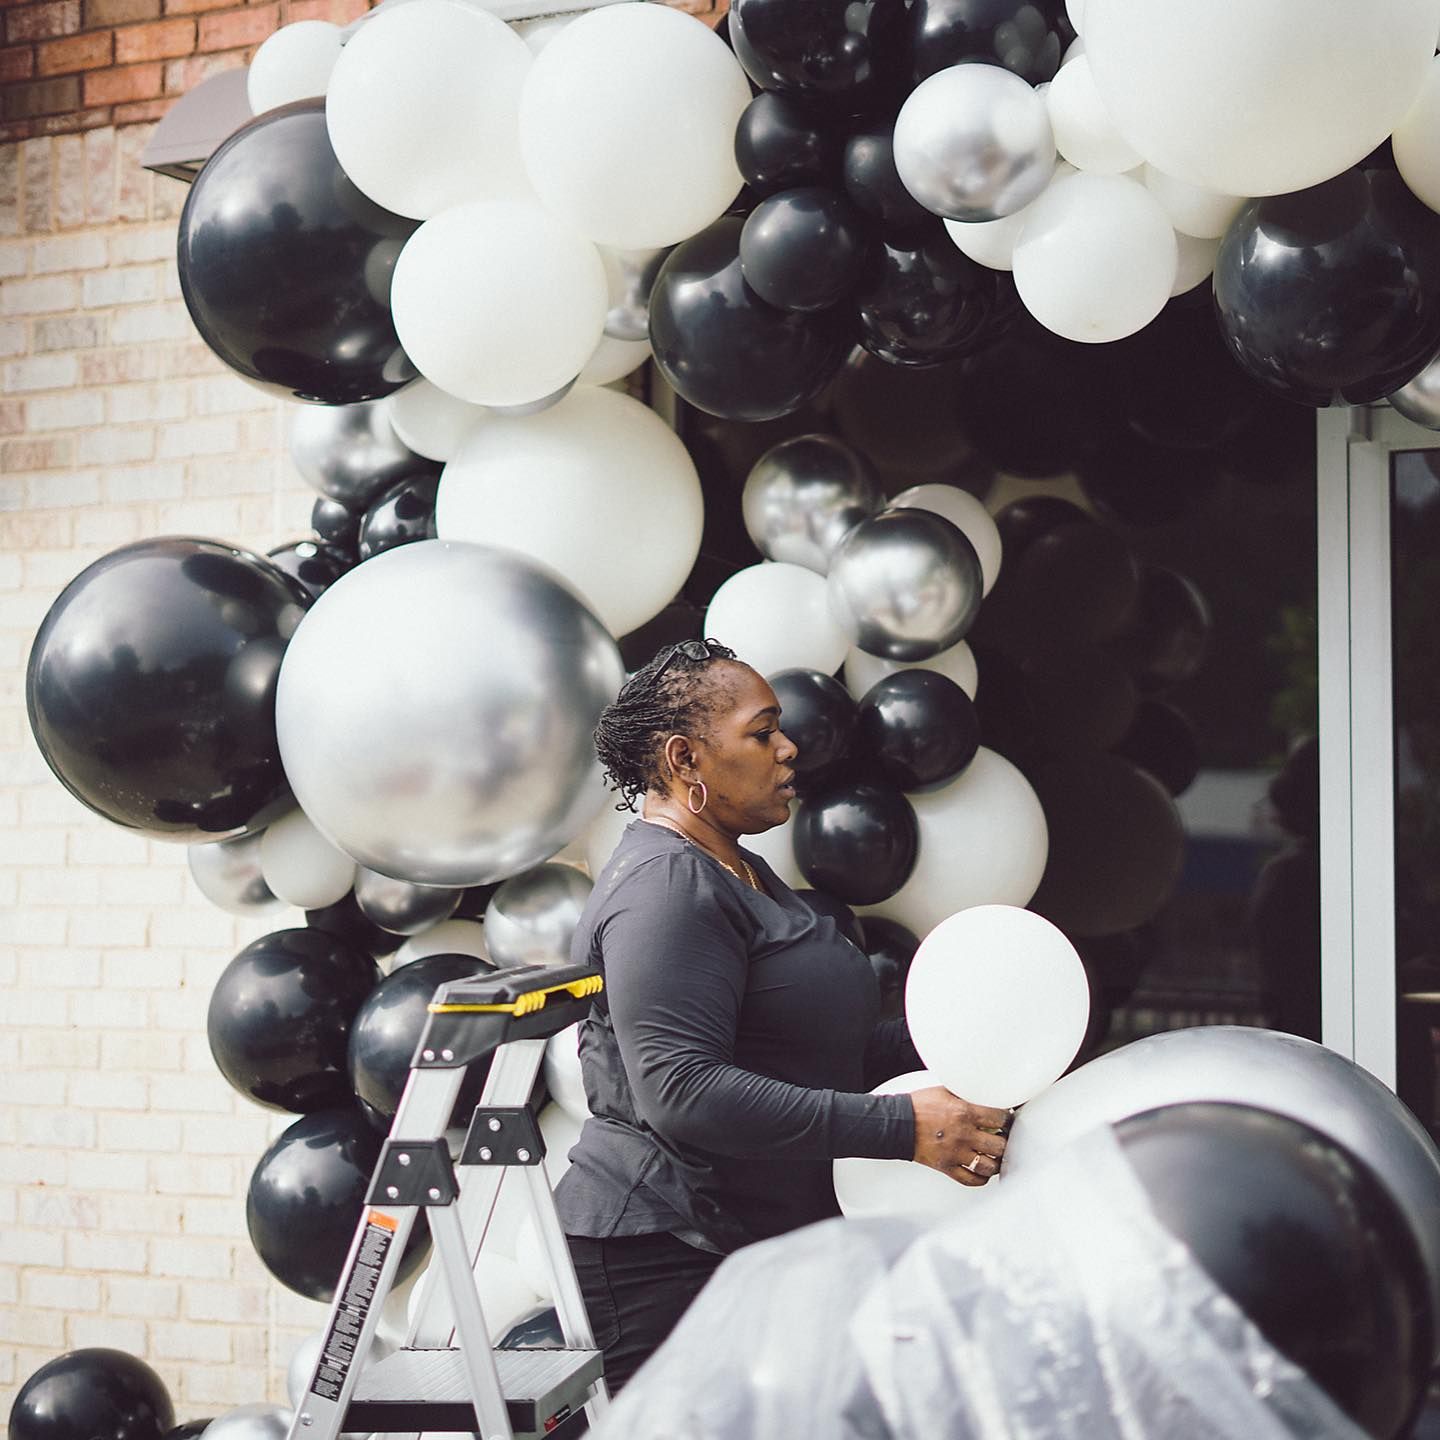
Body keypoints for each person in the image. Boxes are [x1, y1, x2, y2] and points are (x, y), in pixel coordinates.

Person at [556, 639, 1010, 1393]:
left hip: (745, 1250)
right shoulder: (667, 885)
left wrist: (961, 1047)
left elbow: (810, 1051)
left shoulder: (739, 867)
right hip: (666, 1258)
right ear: (685, 759)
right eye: (763, 733)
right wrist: (901, 1128)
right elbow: (682, 1090)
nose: (789, 749)